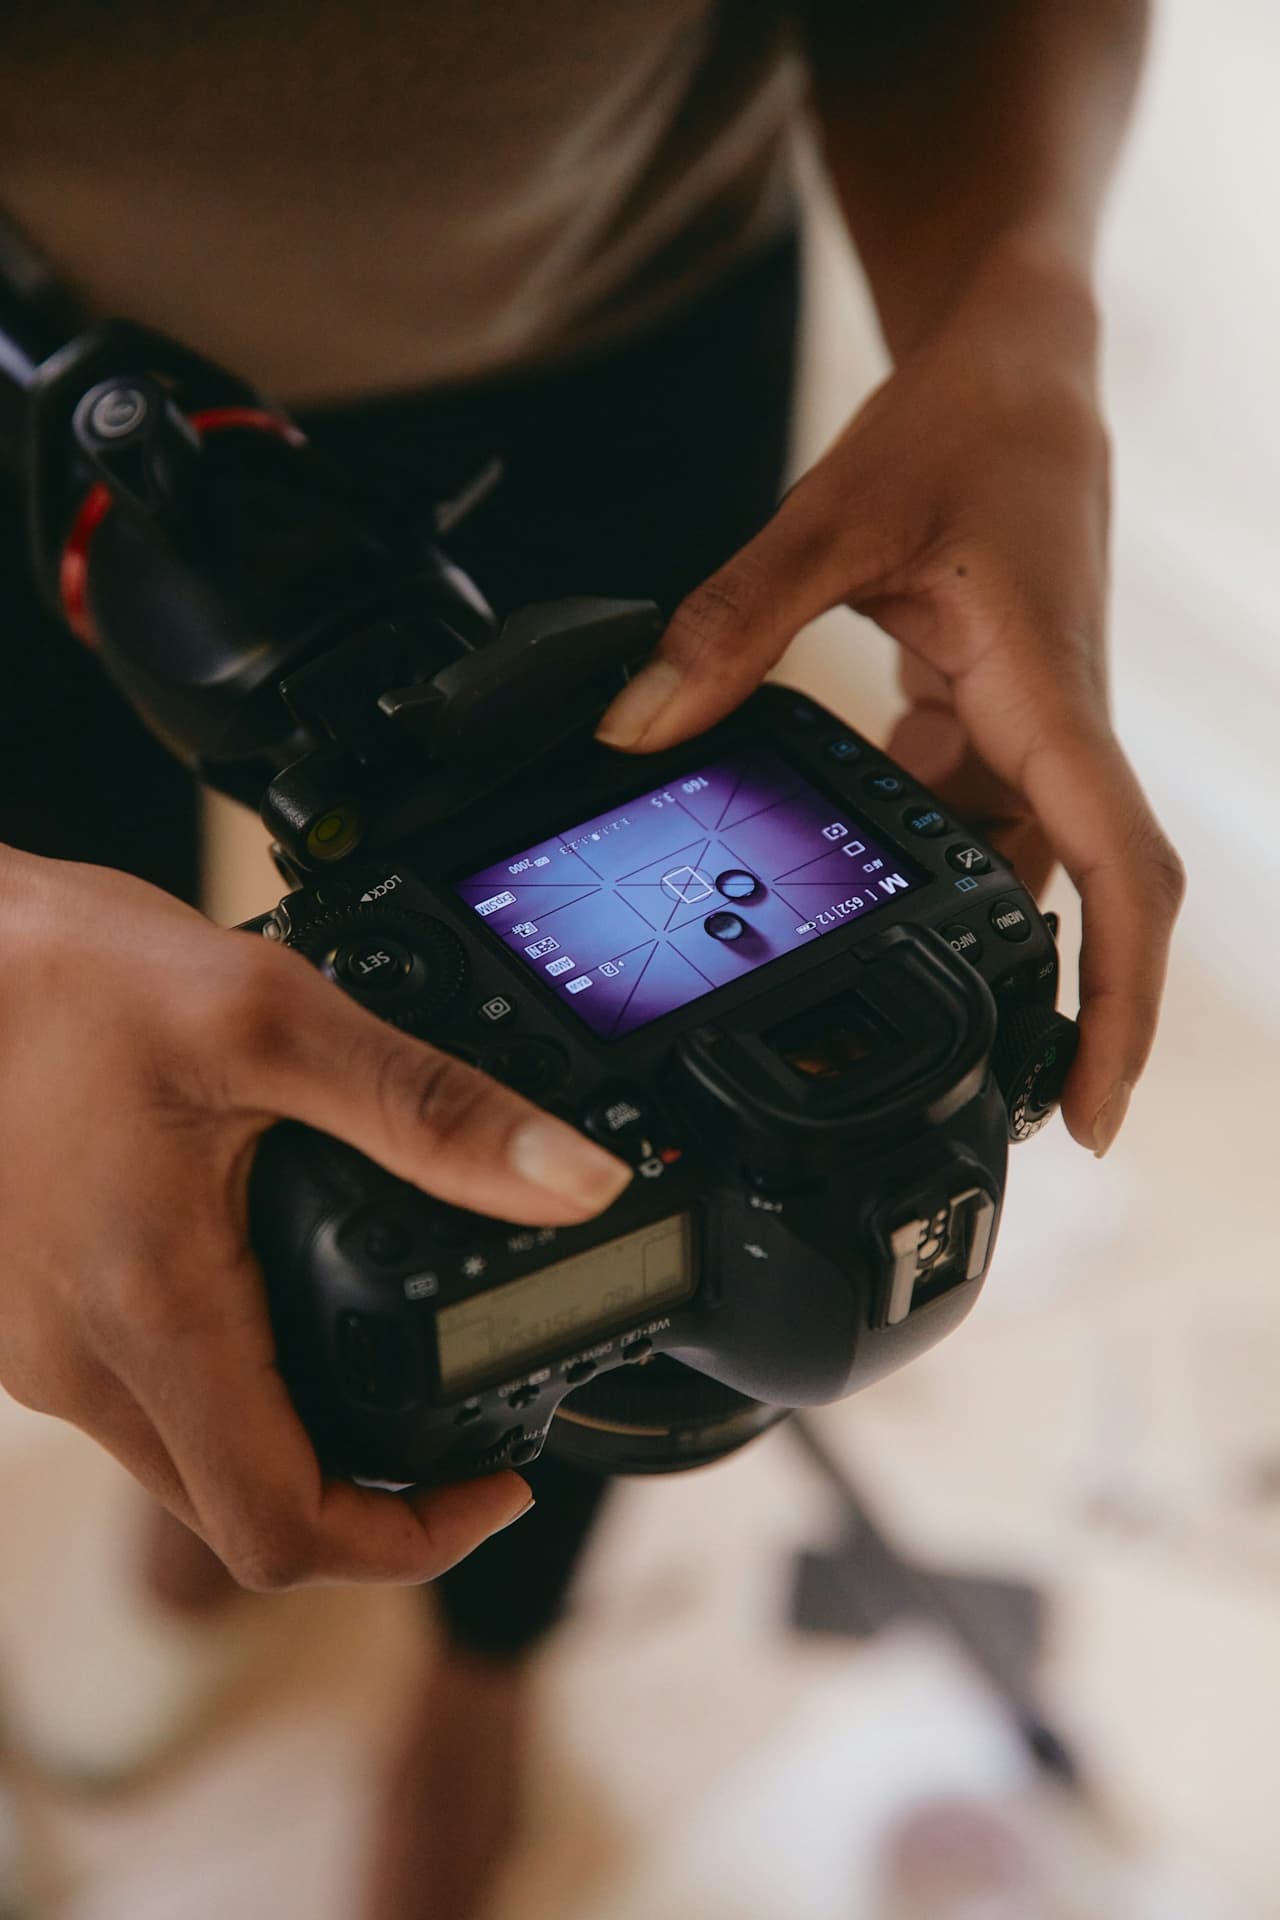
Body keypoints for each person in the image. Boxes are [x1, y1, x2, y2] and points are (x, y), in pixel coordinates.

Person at [0, 3, 1183, 1916]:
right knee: (128, 1167)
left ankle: (487, 1660)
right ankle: (228, 1432)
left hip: (627, 315)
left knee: (587, 1225)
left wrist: (1017, 310)